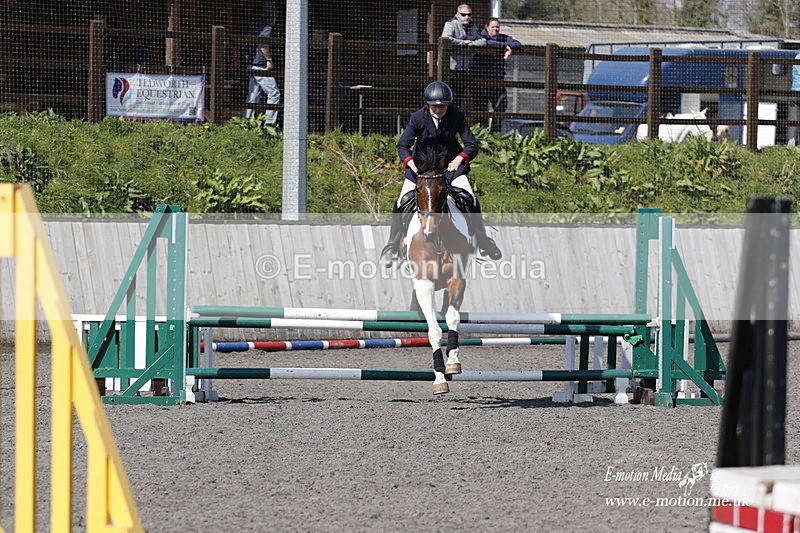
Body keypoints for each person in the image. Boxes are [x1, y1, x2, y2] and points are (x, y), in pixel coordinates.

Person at [381, 81, 502, 265]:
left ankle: (483, 240)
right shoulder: (417, 118)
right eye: (434, 106)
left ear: (448, 105)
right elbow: (403, 146)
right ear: (428, 104)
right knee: (401, 201)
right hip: (421, 171)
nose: (438, 110)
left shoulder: (456, 116)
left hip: (450, 169)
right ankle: (392, 245)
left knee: (470, 198)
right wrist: (410, 163)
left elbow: (471, 144)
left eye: (442, 106)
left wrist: (459, 159)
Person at [440, 4, 485, 109]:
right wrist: (463, 42)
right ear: (457, 14)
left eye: (469, 15)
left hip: (465, 69)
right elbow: (446, 39)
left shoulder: (473, 26)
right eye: (463, 15)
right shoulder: (451, 24)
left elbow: (483, 41)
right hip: (450, 69)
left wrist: (470, 44)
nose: (466, 17)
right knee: (448, 97)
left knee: (458, 98)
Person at [242, 3, 281, 125]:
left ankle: (246, 123)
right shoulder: (267, 28)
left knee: (253, 96)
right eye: (275, 17)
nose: (276, 20)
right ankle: (269, 125)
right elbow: (263, 44)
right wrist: (269, 60)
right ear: (272, 16)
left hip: (252, 64)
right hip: (261, 65)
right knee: (274, 94)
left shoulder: (254, 26)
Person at [475, 17, 522, 116]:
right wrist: (504, 46)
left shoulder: (503, 37)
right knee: (480, 109)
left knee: (501, 106)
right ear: (487, 27)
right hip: (481, 80)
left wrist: (508, 46)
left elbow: (517, 44)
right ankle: (481, 126)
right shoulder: (480, 36)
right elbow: (486, 42)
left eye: (497, 27)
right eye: (493, 27)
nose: (495, 29)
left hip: (497, 79)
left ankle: (496, 126)